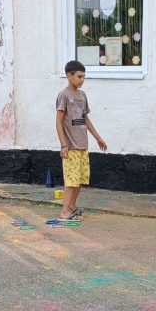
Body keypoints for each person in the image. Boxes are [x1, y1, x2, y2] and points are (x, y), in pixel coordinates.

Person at [55, 60, 107, 221]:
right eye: (79, 76)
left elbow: (85, 119)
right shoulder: (63, 95)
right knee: (71, 181)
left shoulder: (82, 95)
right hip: (71, 146)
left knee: (80, 180)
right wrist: (63, 145)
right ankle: (64, 212)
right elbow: (58, 121)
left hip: (83, 145)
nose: (82, 79)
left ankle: (71, 207)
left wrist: (98, 138)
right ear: (69, 76)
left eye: (84, 76)